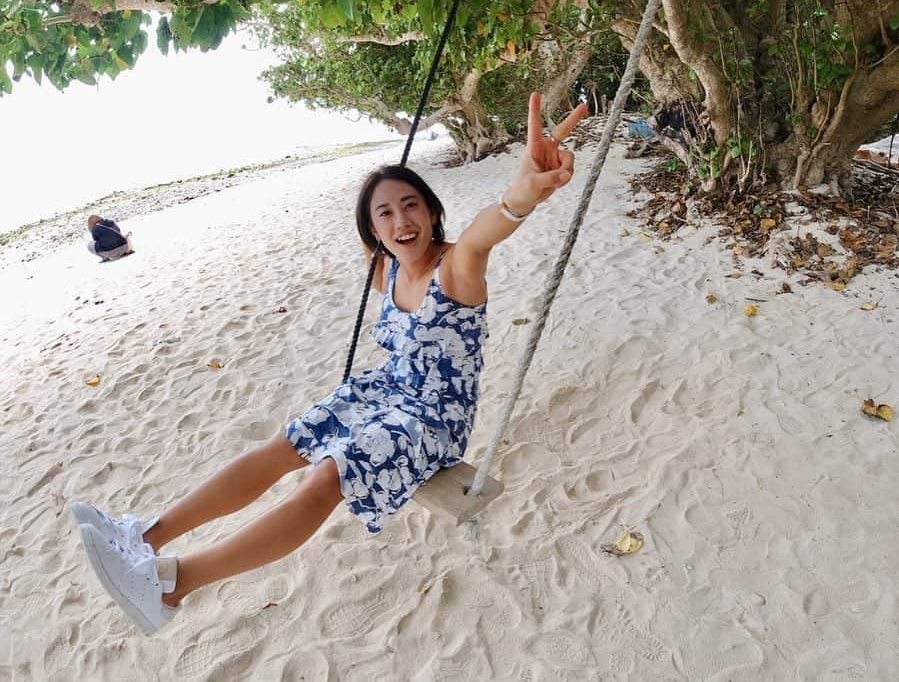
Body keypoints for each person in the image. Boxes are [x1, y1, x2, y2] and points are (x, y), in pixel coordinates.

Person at [71, 94, 588, 635]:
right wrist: (378, 235)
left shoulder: (458, 265)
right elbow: (379, 248)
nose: (400, 220)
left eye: (411, 205)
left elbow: (489, 227)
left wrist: (523, 195)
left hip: (432, 418)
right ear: (374, 232)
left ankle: (173, 586)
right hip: (382, 390)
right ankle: (144, 537)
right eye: (384, 213)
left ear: (433, 212)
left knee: (326, 475)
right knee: (283, 445)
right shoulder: (385, 271)